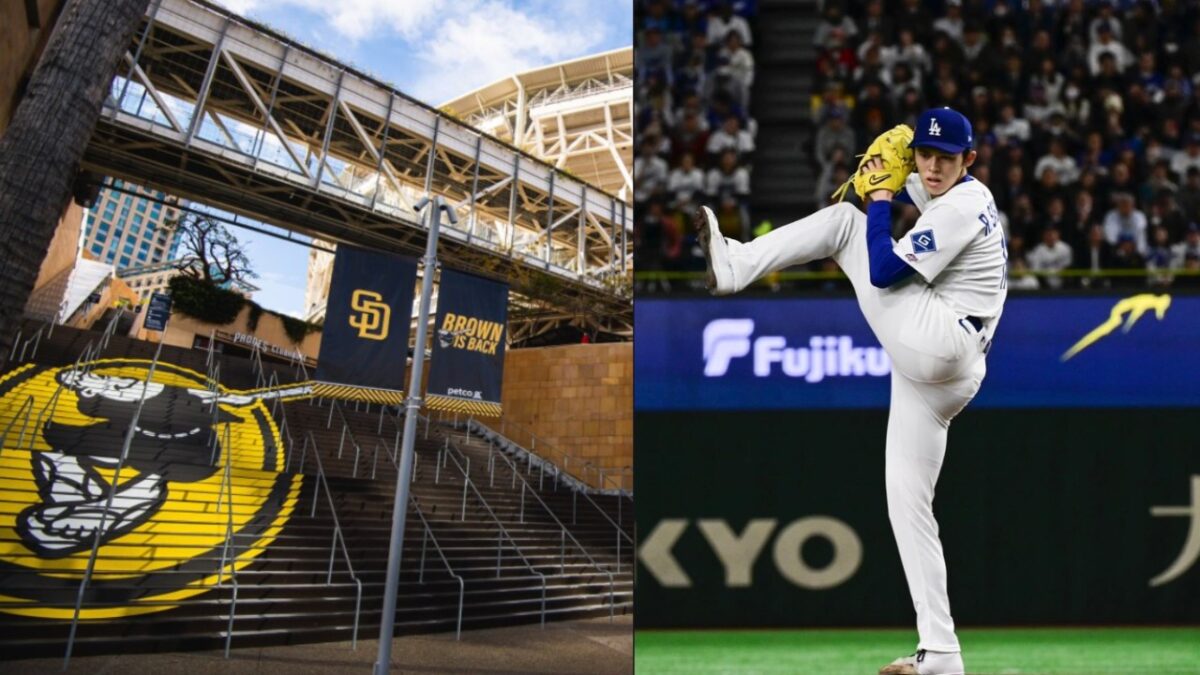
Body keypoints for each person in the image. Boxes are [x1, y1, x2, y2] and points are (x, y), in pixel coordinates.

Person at [698, 108, 1006, 675]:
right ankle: (941, 651)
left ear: (971, 159)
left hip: (941, 343)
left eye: (947, 157)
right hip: (943, 371)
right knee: (908, 506)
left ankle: (737, 263)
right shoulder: (946, 186)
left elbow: (885, 271)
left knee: (844, 225)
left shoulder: (964, 204)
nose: (933, 167)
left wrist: (879, 199)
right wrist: (888, 177)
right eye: (926, 154)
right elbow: (904, 179)